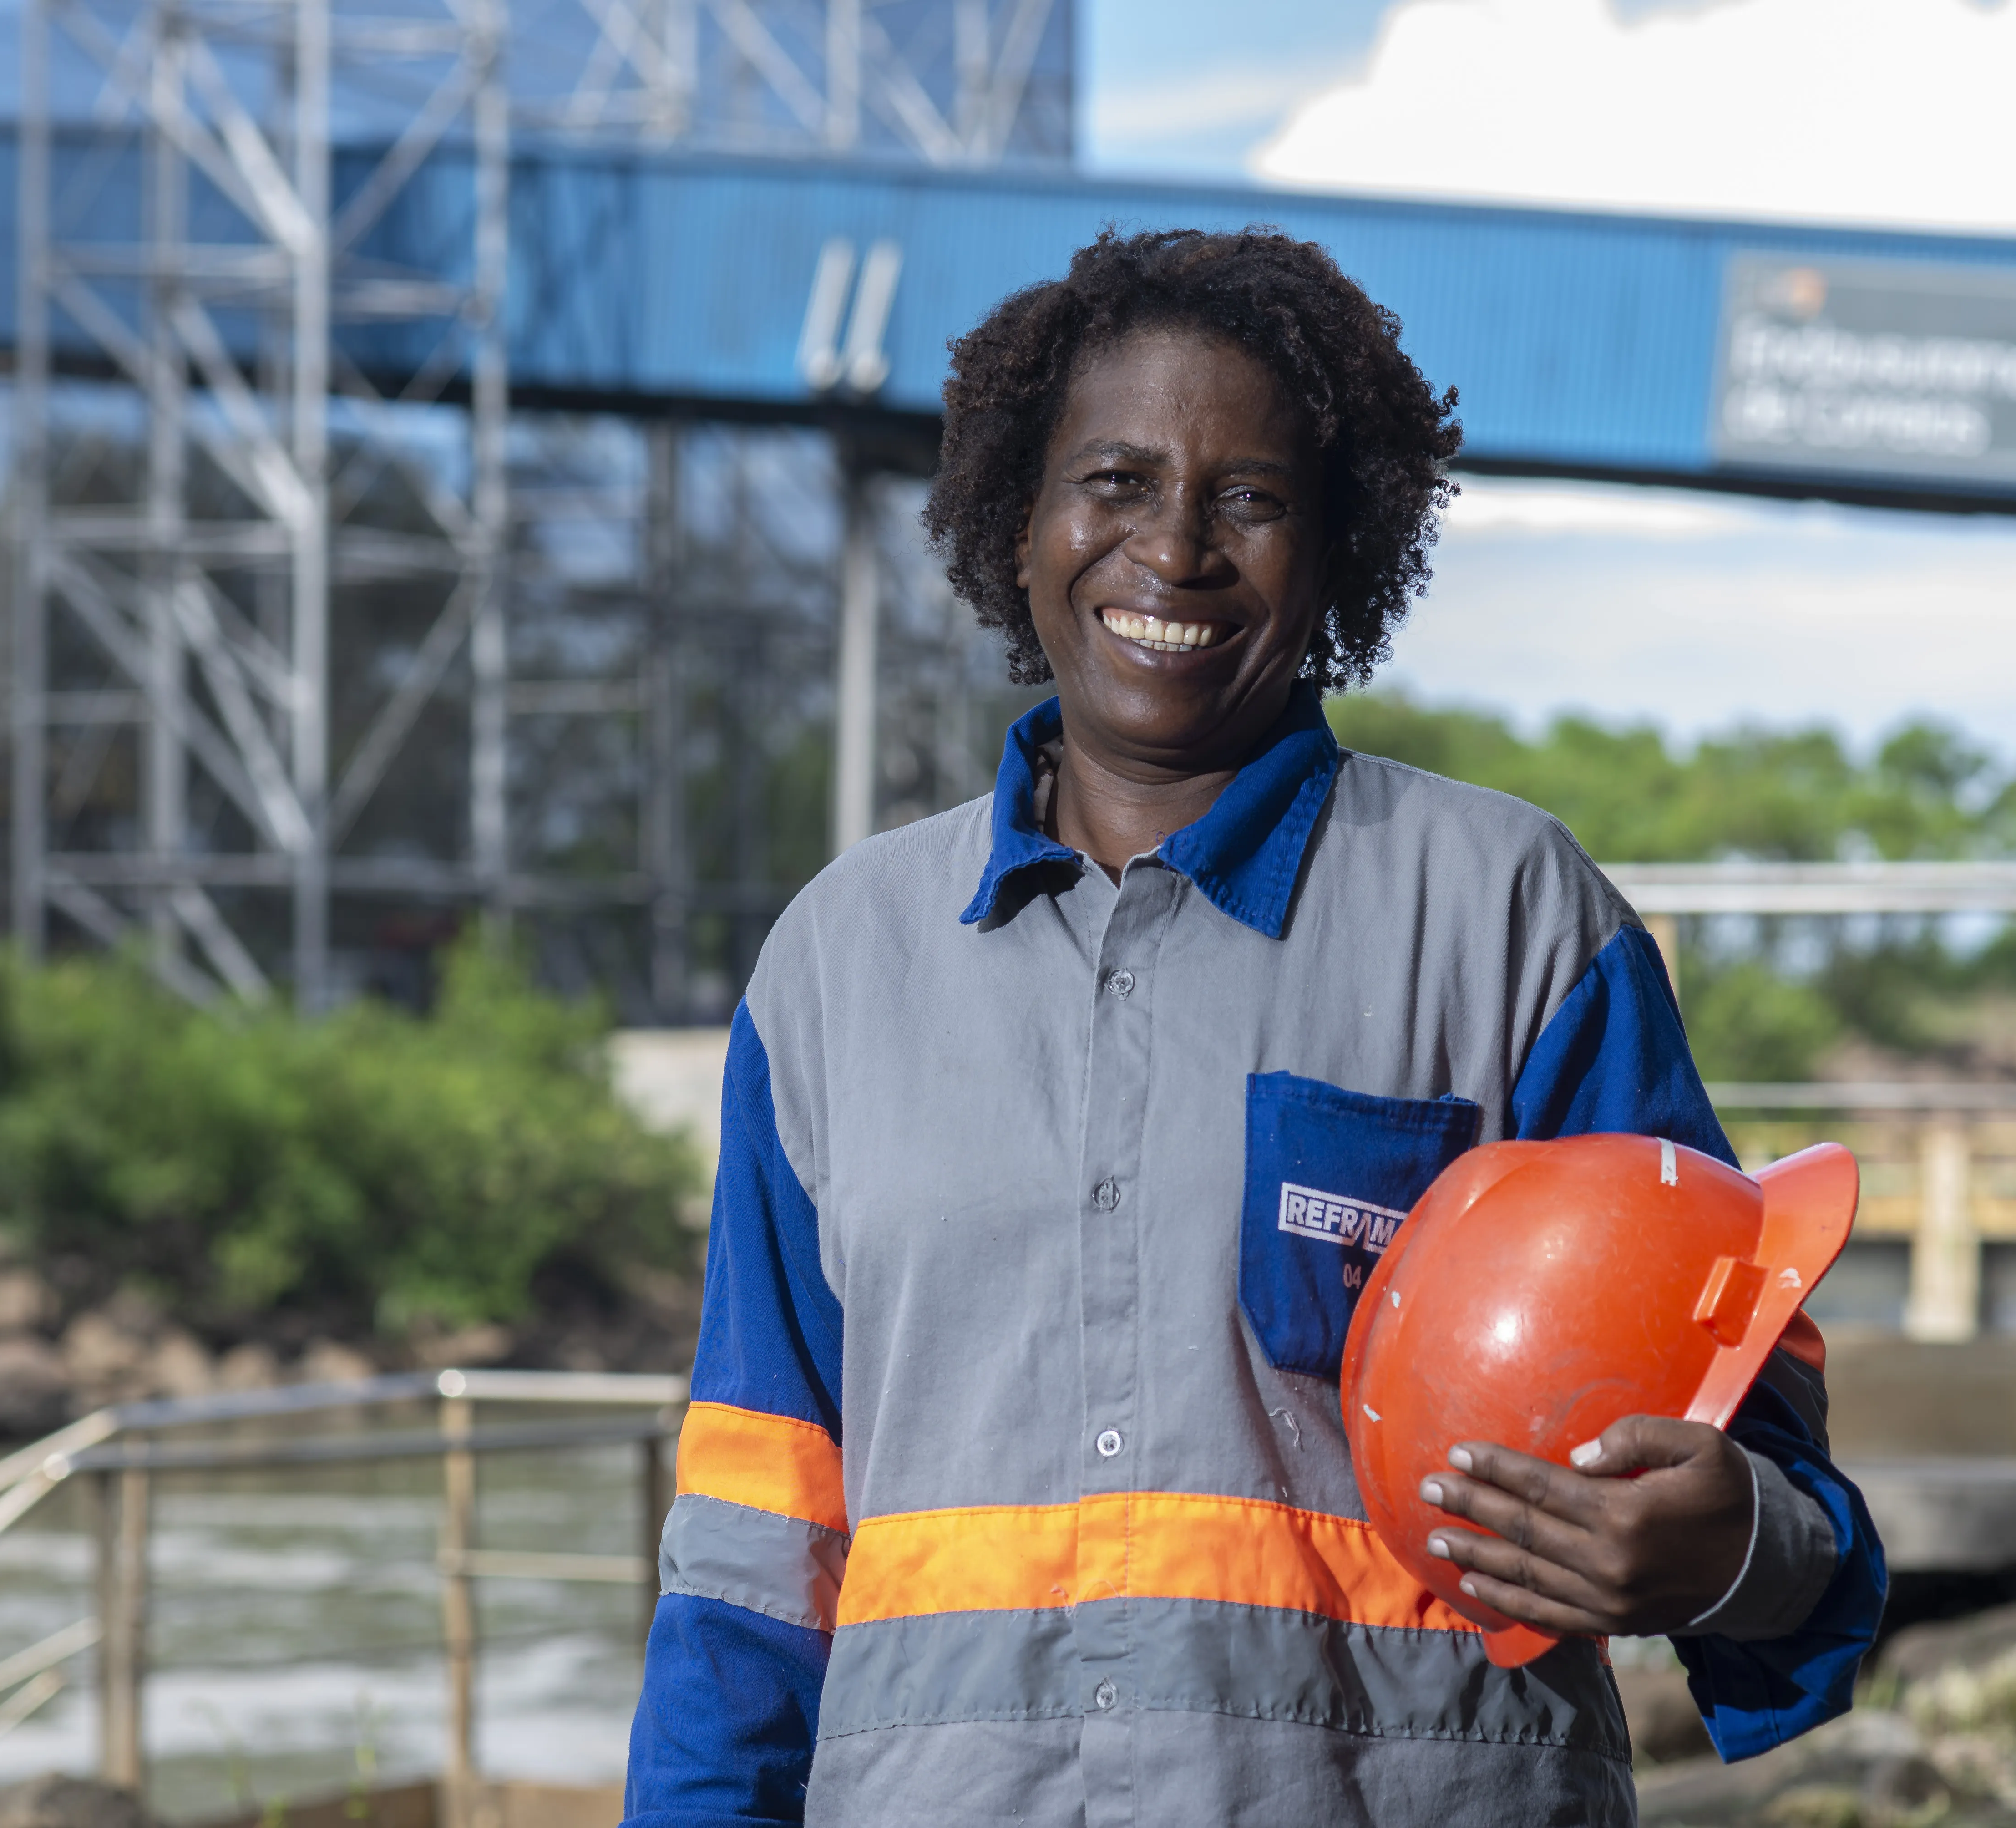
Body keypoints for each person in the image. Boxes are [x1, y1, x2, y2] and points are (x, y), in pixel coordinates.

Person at [623, 227, 1884, 1828]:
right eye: (1116, 482)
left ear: (1340, 548)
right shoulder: (836, 966)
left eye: (1252, 499)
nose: (1174, 550)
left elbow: (1770, 1475)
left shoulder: (1512, 921)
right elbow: (755, 1526)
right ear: (1017, 524)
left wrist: (1728, 1554)